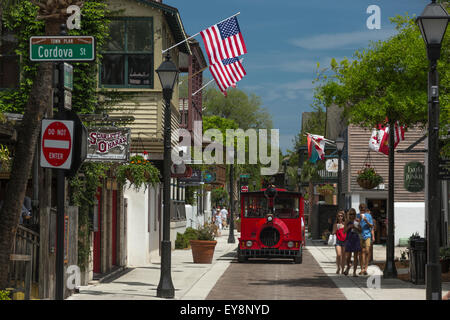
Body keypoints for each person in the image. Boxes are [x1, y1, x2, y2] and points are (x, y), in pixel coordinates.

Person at [344, 208, 362, 277]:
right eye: (351, 214)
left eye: (353, 214)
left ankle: (354, 272)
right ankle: (348, 266)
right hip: (349, 239)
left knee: (355, 256)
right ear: (348, 214)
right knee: (348, 257)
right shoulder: (347, 221)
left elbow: (360, 230)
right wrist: (349, 227)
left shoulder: (357, 221)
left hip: (355, 238)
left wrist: (355, 227)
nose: (352, 215)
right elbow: (344, 231)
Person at [358, 205, 374, 275]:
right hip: (360, 235)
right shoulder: (357, 215)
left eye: (363, 209)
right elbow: (355, 225)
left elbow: (371, 226)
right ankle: (362, 269)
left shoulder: (369, 216)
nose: (362, 210)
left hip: (367, 235)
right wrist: (359, 220)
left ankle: (366, 268)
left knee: (367, 251)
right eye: (361, 209)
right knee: (361, 252)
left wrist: (366, 221)